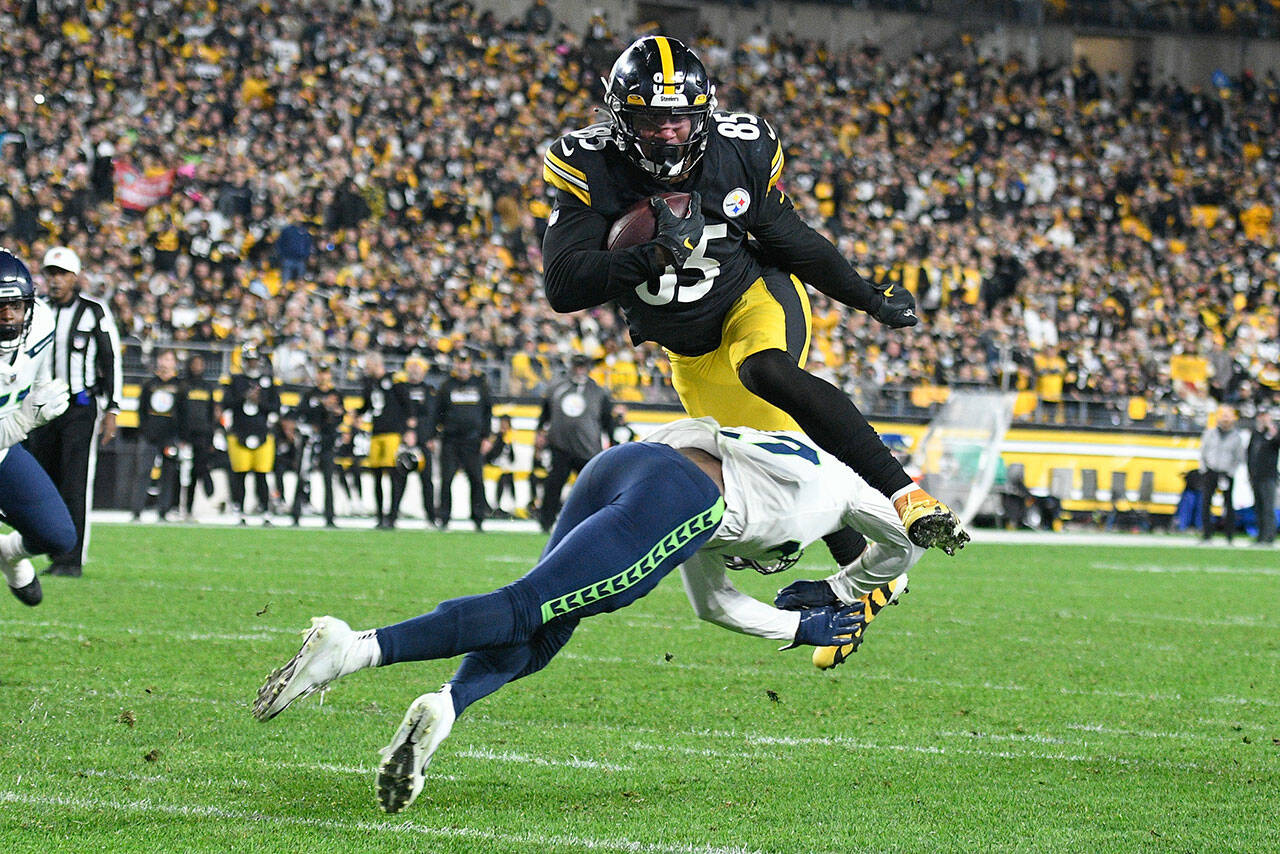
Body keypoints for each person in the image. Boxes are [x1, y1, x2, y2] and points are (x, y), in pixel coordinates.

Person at [253, 417, 922, 813]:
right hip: (686, 496)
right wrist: (841, 594)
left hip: (628, 464)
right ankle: (353, 649)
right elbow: (900, 538)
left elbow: (713, 597)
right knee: (524, 609)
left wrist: (824, 601)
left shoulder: (785, 457)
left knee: (543, 627)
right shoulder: (850, 490)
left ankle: (446, 708)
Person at [540, 35, 967, 557]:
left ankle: (907, 495)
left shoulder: (736, 151)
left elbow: (793, 240)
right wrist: (653, 256)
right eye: (653, 120)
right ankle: (863, 583)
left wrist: (868, 297)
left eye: (680, 119)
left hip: (752, 295)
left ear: (706, 112)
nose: (669, 134)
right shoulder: (591, 164)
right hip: (687, 347)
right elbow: (563, 286)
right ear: (621, 117)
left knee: (765, 369)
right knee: (775, 460)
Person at [25, 246, 122, 577]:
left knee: (75, 482)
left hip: (79, 408)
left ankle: (70, 558)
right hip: (40, 410)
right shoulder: (36, 310)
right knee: (44, 482)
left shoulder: (94, 311)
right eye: (51, 273)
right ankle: (52, 550)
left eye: (62, 274)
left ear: (76, 277)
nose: (55, 280)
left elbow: (111, 360)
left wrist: (113, 408)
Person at [0, 249, 77, 605]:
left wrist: (44, 394)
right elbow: (20, 420)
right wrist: (24, 420)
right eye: (0, 307)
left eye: (16, 305)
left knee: (59, 537)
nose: (9, 316)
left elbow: (37, 372)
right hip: (9, 434)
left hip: (3, 451)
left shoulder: (42, 321)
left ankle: (7, 552)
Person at [535, 353, 613, 532]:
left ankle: (598, 521)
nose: (579, 370)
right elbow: (545, 413)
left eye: (582, 366)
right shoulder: (557, 388)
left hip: (587, 449)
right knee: (553, 485)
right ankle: (545, 522)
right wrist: (539, 433)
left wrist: (611, 440)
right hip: (560, 446)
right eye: (577, 366)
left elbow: (607, 420)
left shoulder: (598, 392)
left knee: (593, 488)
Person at [429, 351, 492, 531]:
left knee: (477, 480)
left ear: (470, 364)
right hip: (451, 440)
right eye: (459, 362)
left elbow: (488, 412)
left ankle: (478, 519)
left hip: (473, 441)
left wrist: (486, 436)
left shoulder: (480, 385)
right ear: (455, 365)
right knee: (446, 480)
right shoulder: (447, 386)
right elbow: (437, 412)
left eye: (465, 363)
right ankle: (444, 518)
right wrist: (433, 435)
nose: (463, 366)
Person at [222, 343, 280, 525]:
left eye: (255, 360)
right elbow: (226, 404)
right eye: (250, 360)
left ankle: (265, 510)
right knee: (240, 475)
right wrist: (245, 397)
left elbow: (275, 407)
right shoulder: (236, 380)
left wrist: (259, 401)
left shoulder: (269, 382)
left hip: (262, 434)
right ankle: (239, 509)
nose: (253, 364)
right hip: (240, 433)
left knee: (262, 475)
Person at [359, 351, 414, 529]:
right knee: (376, 474)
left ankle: (392, 515)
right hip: (377, 432)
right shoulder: (369, 383)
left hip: (392, 432)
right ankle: (380, 515)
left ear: (376, 364)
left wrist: (408, 429)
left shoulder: (394, 381)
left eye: (368, 365)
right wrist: (356, 414)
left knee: (393, 473)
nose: (366, 369)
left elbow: (407, 404)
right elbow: (366, 406)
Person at [131, 349, 183, 521]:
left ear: (174, 363)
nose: (166, 363)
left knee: (168, 474)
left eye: (169, 359)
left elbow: (184, 412)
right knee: (143, 472)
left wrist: (180, 436)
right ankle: (137, 510)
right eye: (163, 358)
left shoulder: (180, 386)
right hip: (149, 436)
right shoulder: (149, 384)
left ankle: (163, 511)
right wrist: (144, 430)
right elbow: (141, 409)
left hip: (170, 437)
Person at [292, 362, 346, 527]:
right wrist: (322, 407)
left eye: (326, 373)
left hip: (327, 441)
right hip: (310, 441)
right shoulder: (309, 394)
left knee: (328, 479)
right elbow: (300, 415)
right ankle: (296, 514)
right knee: (302, 477)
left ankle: (330, 516)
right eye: (321, 373)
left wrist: (334, 411)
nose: (323, 376)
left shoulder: (336, 394)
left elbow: (340, 418)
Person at [176, 353, 218, 521]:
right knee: (184, 473)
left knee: (197, 470)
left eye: (200, 364)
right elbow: (178, 413)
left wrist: (211, 437)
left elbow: (211, 413)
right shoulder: (183, 386)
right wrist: (181, 436)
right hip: (187, 436)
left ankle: (192, 506)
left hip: (203, 435)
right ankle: (181, 507)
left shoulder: (208, 387)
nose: (197, 367)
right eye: (195, 364)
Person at [1199, 406, 1246, 543]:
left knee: (1229, 504)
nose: (1225, 419)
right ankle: (1207, 534)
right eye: (1223, 415)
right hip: (1210, 471)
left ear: (1233, 418)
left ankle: (1229, 536)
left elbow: (1239, 457)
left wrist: (1230, 472)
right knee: (1206, 503)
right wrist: (1205, 469)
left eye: (1228, 416)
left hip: (1227, 473)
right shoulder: (1209, 433)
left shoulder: (1236, 437)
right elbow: (1203, 452)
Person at [402, 355, 439, 527]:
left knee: (427, 482)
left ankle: (431, 517)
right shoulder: (400, 389)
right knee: (399, 481)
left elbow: (434, 417)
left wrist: (432, 437)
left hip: (424, 442)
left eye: (419, 367)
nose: (415, 370)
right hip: (404, 443)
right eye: (412, 366)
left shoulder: (430, 391)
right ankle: (391, 516)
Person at [1246, 409, 1279, 546]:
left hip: (1268, 476)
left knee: (1267, 507)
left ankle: (1269, 536)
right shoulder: (1256, 434)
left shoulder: (1273, 433)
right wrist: (1250, 473)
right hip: (1256, 476)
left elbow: (1277, 443)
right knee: (1258, 507)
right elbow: (1249, 454)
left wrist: (1271, 429)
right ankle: (1260, 536)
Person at [484, 414, 518, 518]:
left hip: (504, 468)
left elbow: (513, 458)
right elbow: (490, 456)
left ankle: (509, 506)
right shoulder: (495, 437)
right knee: (501, 478)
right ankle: (494, 506)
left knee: (508, 477)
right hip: (493, 467)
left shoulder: (511, 438)